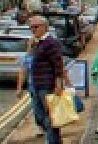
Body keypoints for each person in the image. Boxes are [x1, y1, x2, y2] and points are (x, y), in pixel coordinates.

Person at [28, 16, 67, 144]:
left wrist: (59, 83)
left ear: (44, 27)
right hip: (38, 86)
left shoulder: (51, 42)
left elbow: (58, 64)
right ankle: (55, 140)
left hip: (47, 86)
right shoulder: (39, 42)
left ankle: (53, 141)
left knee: (50, 118)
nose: (33, 30)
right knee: (41, 118)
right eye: (31, 27)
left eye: (36, 27)